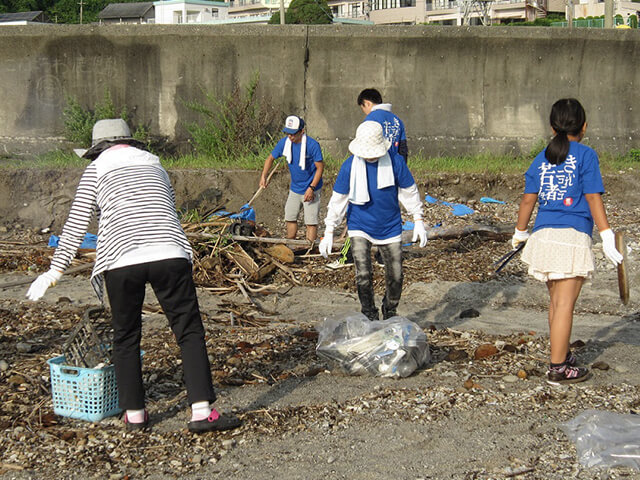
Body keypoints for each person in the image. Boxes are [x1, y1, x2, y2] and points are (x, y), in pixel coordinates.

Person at [26, 119, 241, 433]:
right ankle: (202, 411)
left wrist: (55, 271)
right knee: (188, 332)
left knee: (125, 336)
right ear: (129, 141)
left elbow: (75, 225)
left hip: (121, 258)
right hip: (169, 251)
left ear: (98, 148)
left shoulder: (96, 170)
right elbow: (166, 206)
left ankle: (135, 415)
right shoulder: (155, 164)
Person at [511, 98, 623, 386]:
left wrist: (520, 232)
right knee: (564, 305)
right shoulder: (586, 155)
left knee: (556, 302)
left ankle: (560, 355)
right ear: (584, 127)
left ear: (552, 127)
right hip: (570, 237)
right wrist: (606, 233)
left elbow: (527, 199)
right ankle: (558, 368)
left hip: (544, 234)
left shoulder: (541, 157)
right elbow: (593, 196)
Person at [319, 121, 427, 321]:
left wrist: (418, 219)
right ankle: (369, 313)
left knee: (396, 275)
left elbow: (409, 192)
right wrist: (328, 231)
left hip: (390, 225)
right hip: (359, 224)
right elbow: (339, 199)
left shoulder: (395, 162)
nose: (370, 156)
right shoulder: (350, 166)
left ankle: (390, 311)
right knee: (363, 274)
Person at [260, 115, 324, 242]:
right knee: (290, 216)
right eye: (288, 133)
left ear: (302, 131)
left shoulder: (312, 145)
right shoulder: (285, 143)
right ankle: (291, 243)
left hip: (311, 187)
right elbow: (270, 158)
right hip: (295, 188)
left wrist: (311, 188)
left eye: (293, 134)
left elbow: (320, 168)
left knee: (310, 221)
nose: (290, 137)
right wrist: (263, 176)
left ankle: (309, 248)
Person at [357, 88, 408, 163]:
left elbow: (365, 147)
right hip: (395, 165)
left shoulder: (370, 119)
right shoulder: (397, 120)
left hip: (378, 165)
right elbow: (403, 148)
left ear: (367, 103)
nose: (364, 112)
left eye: (363, 108)